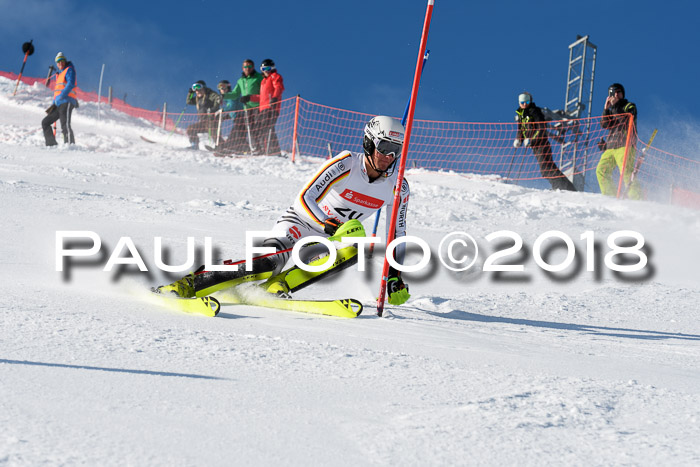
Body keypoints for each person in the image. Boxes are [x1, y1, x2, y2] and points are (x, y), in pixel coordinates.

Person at [155, 115, 411, 306]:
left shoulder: (397, 187)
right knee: (267, 264)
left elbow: (397, 234)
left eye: (395, 151)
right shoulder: (346, 163)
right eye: (384, 148)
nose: (389, 156)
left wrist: (394, 276)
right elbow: (304, 198)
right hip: (300, 223)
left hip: (328, 239)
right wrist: (327, 224)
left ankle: (280, 285)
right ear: (369, 143)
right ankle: (188, 283)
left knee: (356, 247)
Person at [514, 92, 576, 191]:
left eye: (527, 101)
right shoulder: (521, 114)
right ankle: (564, 187)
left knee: (546, 168)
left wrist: (532, 140)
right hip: (535, 146)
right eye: (522, 101)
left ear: (530, 101)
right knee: (548, 167)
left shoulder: (535, 112)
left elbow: (541, 128)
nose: (525, 104)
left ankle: (563, 187)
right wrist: (519, 139)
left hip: (542, 144)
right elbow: (521, 129)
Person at [596, 83, 639, 199]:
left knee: (626, 172)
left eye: (618, 92)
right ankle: (611, 197)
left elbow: (627, 118)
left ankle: (637, 199)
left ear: (622, 94)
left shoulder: (628, 106)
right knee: (601, 171)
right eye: (612, 93)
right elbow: (604, 124)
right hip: (611, 148)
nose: (615, 95)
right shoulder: (611, 111)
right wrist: (606, 109)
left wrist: (615, 106)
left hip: (625, 145)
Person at [216, 59, 263, 155]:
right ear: (242, 68)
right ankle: (240, 147)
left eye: (249, 67)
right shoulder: (241, 81)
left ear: (253, 67)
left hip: (257, 106)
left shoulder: (258, 77)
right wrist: (224, 96)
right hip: (247, 108)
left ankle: (259, 148)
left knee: (255, 128)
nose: (247, 69)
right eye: (245, 67)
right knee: (247, 128)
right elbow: (235, 94)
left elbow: (264, 92)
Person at [42, 52, 78, 146]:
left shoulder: (69, 70)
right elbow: (57, 92)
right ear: (56, 64)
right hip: (58, 104)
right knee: (45, 122)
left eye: (62, 61)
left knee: (64, 124)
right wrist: (54, 104)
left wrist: (62, 95)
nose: (60, 63)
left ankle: (69, 145)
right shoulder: (60, 75)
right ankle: (51, 144)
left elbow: (71, 83)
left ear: (65, 61)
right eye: (58, 61)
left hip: (67, 101)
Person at [255, 58, 285, 156]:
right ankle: (262, 149)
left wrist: (275, 98)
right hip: (263, 108)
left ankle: (274, 150)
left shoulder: (275, 76)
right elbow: (261, 97)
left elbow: (278, 87)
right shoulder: (263, 81)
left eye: (267, 68)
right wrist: (249, 98)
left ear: (272, 68)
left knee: (268, 128)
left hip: (271, 107)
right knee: (260, 128)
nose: (266, 71)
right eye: (263, 69)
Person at [185, 80, 221, 149]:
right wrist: (190, 93)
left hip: (212, 120)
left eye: (199, 88)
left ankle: (220, 146)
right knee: (191, 128)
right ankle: (194, 144)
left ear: (204, 88)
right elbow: (188, 101)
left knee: (214, 133)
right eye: (195, 89)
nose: (197, 91)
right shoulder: (197, 99)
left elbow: (217, 98)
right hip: (202, 122)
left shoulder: (209, 95)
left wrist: (213, 109)